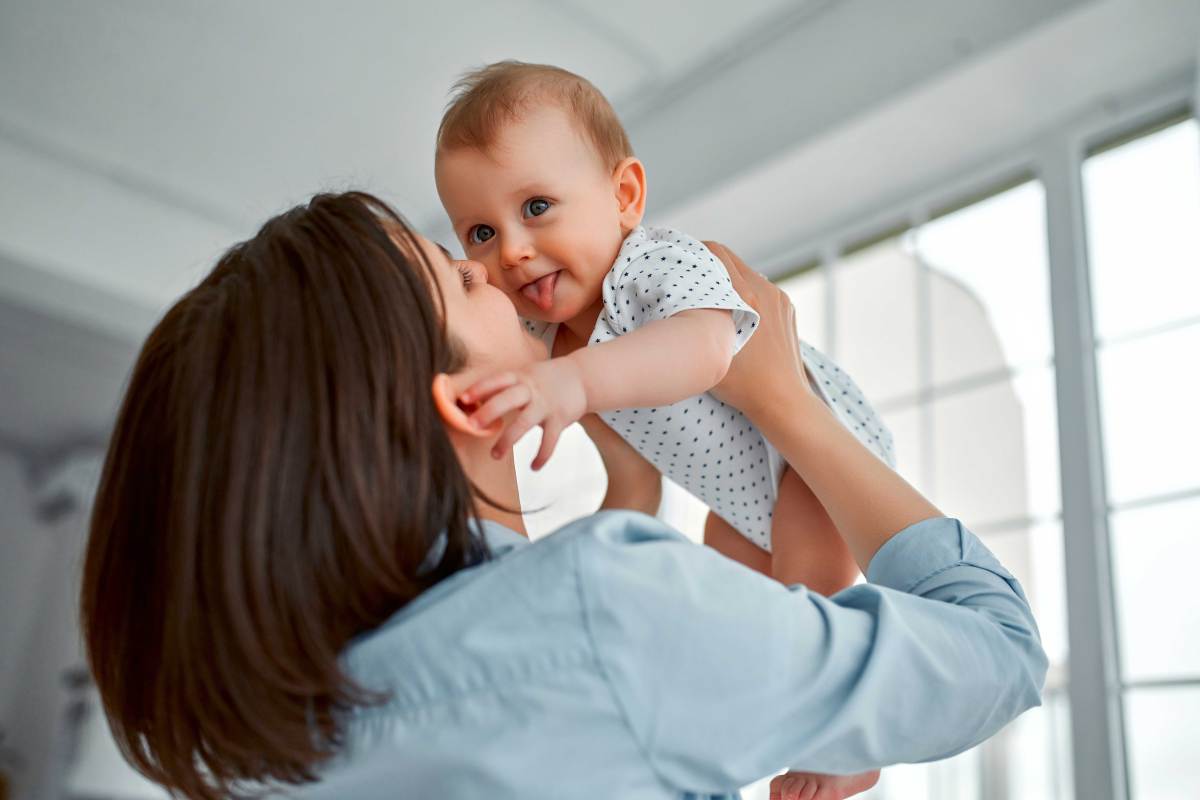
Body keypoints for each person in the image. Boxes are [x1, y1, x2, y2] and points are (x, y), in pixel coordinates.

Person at [80, 192, 1046, 800]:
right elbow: (1000, 654)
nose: (506, 269)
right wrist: (788, 403)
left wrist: (631, 487)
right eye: (467, 276)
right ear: (464, 400)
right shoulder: (611, 610)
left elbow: (564, 695)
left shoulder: (278, 743)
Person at [435, 61, 893, 596]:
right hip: (732, 501)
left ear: (623, 197)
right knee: (735, 614)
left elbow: (708, 345)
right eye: (482, 232)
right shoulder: (540, 335)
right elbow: (630, 473)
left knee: (806, 608)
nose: (511, 251)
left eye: (537, 207)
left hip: (808, 460)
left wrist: (575, 382)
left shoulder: (652, 263)